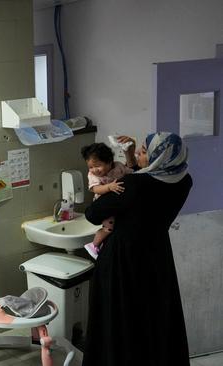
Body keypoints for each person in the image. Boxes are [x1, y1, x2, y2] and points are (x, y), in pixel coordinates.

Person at [83, 132, 191, 366]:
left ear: (157, 158)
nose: (140, 155)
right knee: (152, 318)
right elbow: (141, 194)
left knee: (120, 320)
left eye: (144, 152)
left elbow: (93, 214)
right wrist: (130, 157)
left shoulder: (135, 185)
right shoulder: (183, 179)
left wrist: (107, 186)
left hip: (123, 259)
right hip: (157, 256)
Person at [80, 142, 134, 258]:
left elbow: (131, 173)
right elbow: (95, 189)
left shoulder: (118, 166)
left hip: (119, 206)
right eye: (90, 167)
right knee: (109, 228)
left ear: (109, 162)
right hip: (103, 205)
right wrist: (109, 187)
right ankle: (94, 245)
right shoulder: (93, 175)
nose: (94, 170)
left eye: (97, 165)